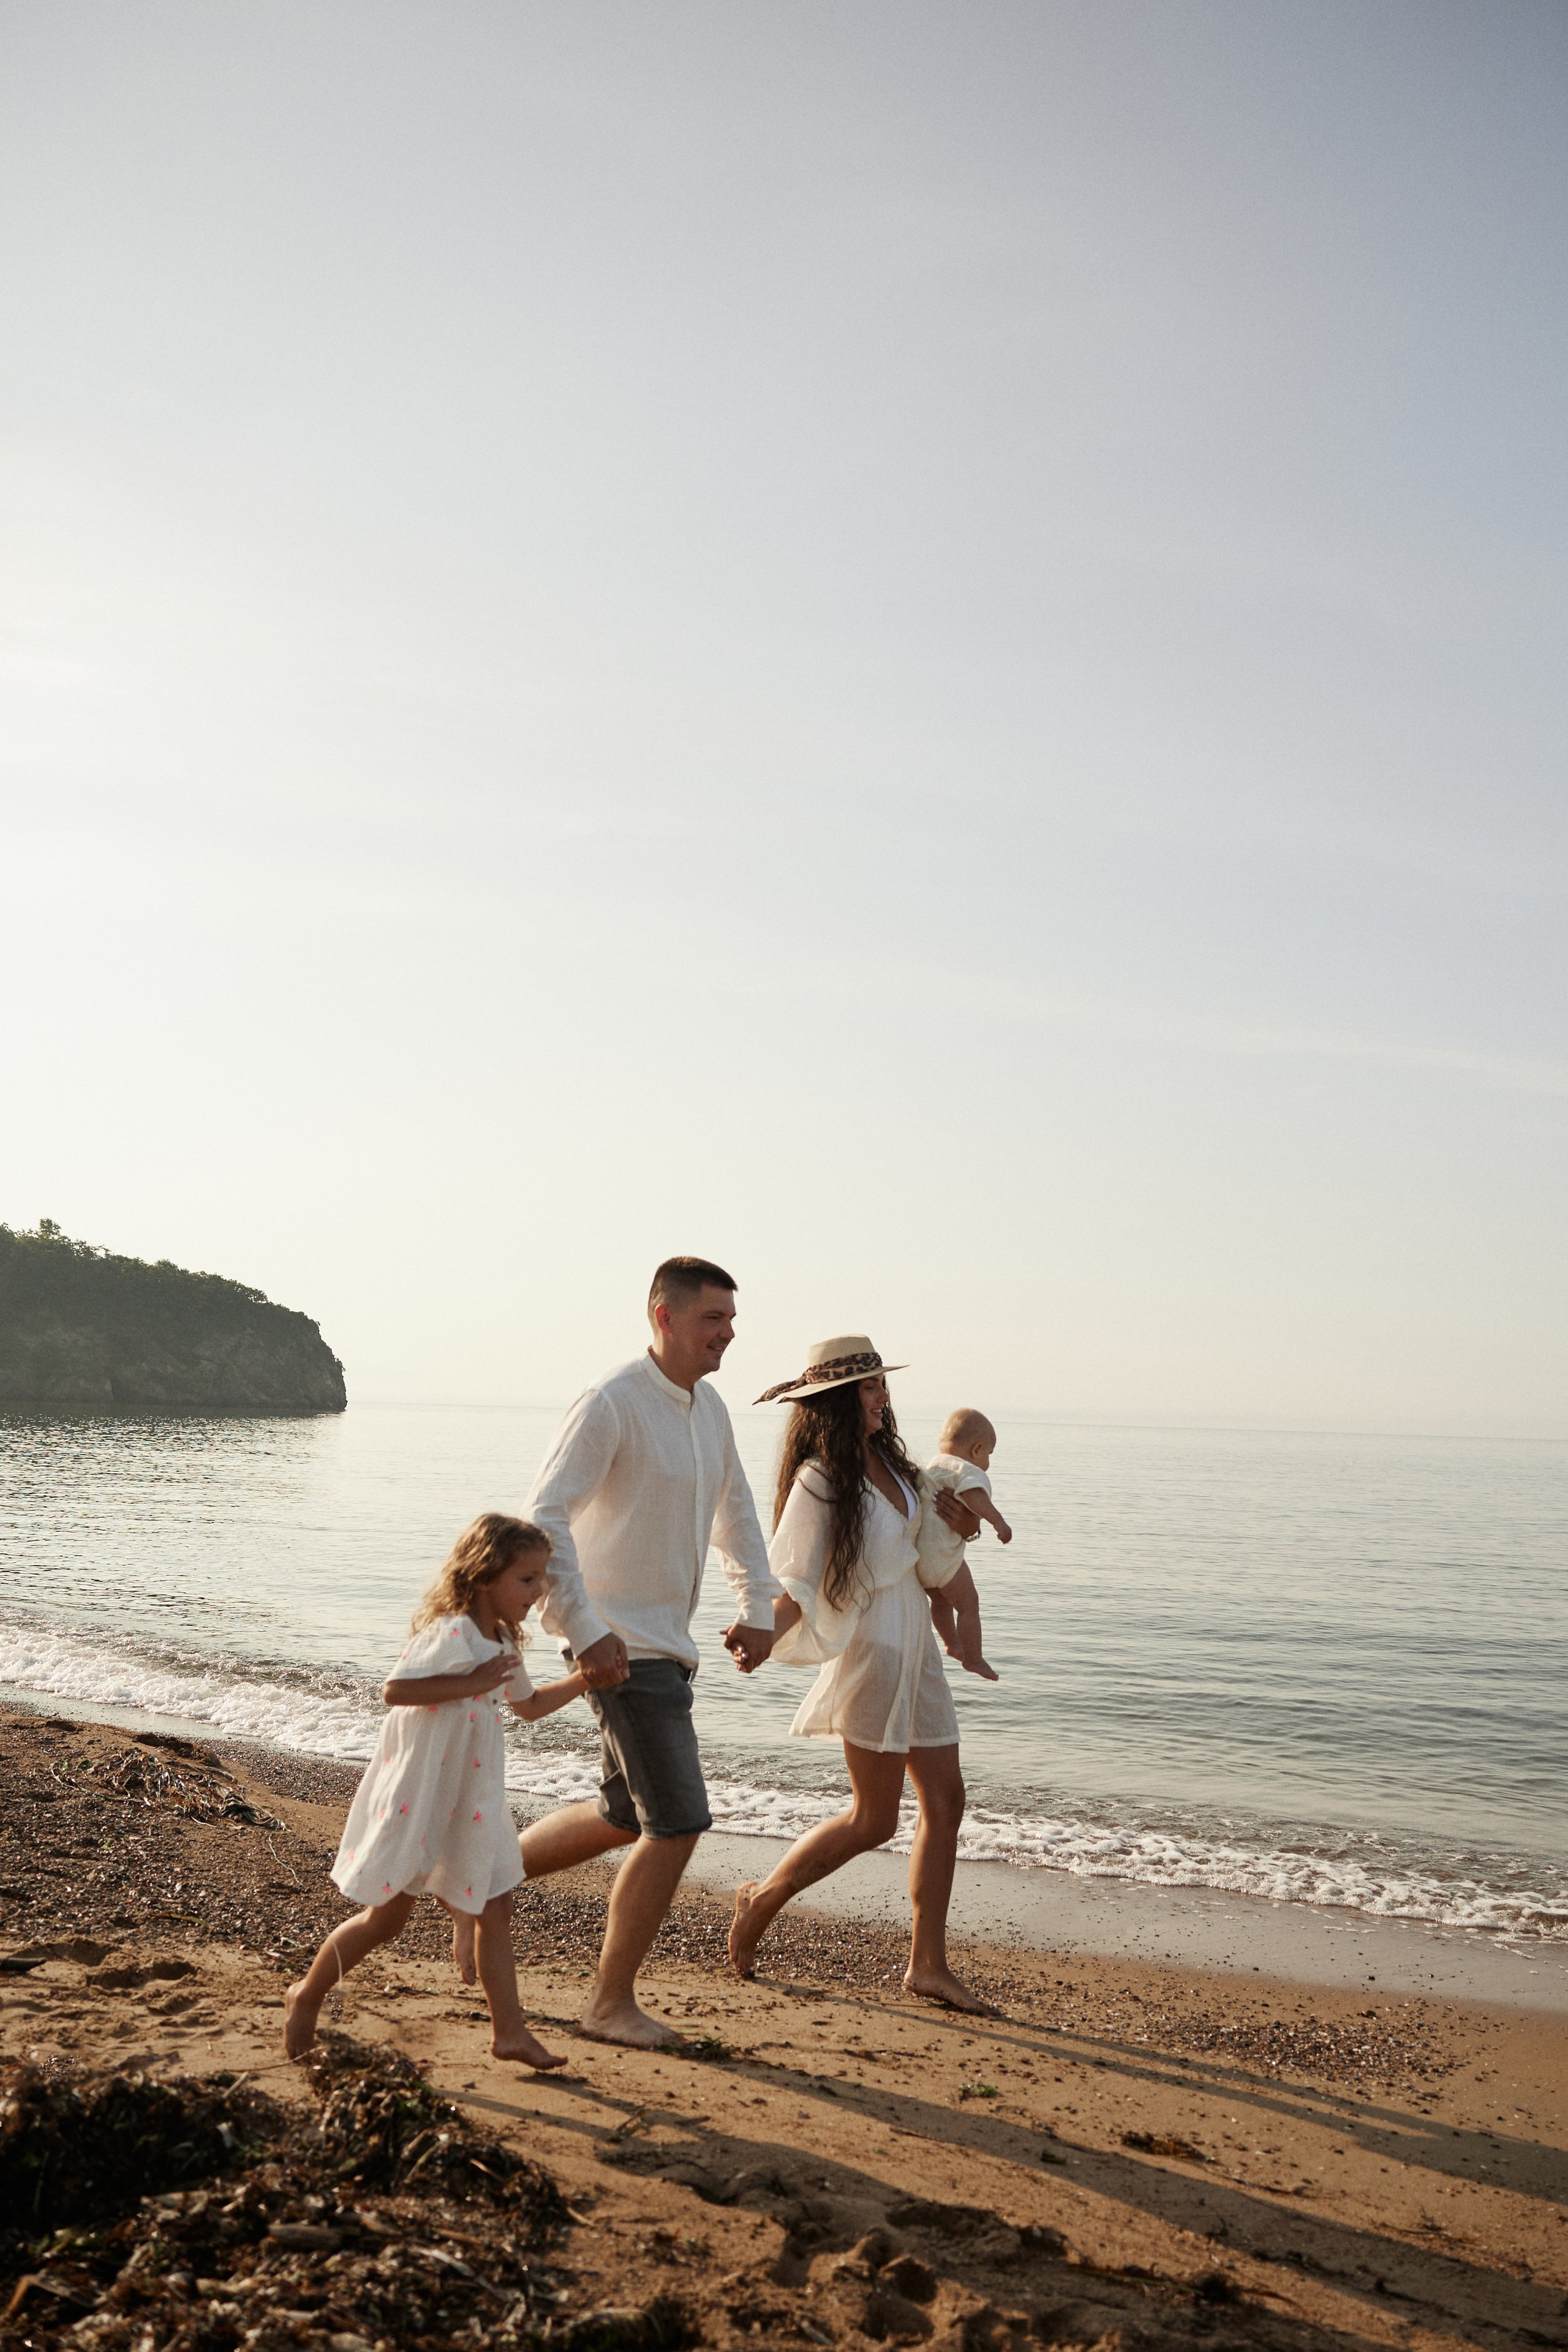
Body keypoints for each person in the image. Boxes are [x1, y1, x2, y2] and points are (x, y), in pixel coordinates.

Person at [457, 1256, 780, 2050]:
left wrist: (757, 1607)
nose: (728, 1334)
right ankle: (609, 2002)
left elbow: (735, 1514)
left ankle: (475, 1886)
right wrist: (583, 1621)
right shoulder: (613, 1401)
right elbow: (546, 1514)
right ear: (664, 1318)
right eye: (714, 1319)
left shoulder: (710, 1412)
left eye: (731, 1321)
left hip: (669, 1644)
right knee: (677, 1820)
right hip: (620, 1648)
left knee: (622, 1815)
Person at [726, 1335, 999, 2014]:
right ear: (840, 1398)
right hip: (875, 1650)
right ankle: (764, 1897)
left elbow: (932, 1549)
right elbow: (794, 1580)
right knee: (874, 1819)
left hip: (918, 1649)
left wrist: (962, 1524)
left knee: (947, 1802)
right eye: (871, 1386)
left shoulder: (897, 1466)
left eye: (882, 1384)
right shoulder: (822, 1479)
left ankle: (928, 1966)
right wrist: (761, 1631)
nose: (883, 1397)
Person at [284, 1512, 606, 2067]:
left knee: (496, 1904)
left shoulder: (502, 1639)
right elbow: (396, 1689)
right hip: (425, 1794)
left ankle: (510, 2033)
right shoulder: (452, 1632)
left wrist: (583, 1680)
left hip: (474, 1797)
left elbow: (527, 1707)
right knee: (387, 1921)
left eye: (542, 1577)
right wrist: (473, 1683)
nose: (540, 1590)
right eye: (527, 1579)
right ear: (484, 1576)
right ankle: (306, 1993)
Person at [922, 1408, 1011, 1679]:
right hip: (945, 1557)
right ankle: (974, 1658)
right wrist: (998, 1522)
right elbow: (976, 1499)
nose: (988, 1463)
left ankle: (951, 1643)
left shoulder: (930, 1468)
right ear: (977, 1449)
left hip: (920, 1562)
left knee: (939, 1601)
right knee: (969, 1604)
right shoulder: (967, 1470)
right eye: (989, 1455)